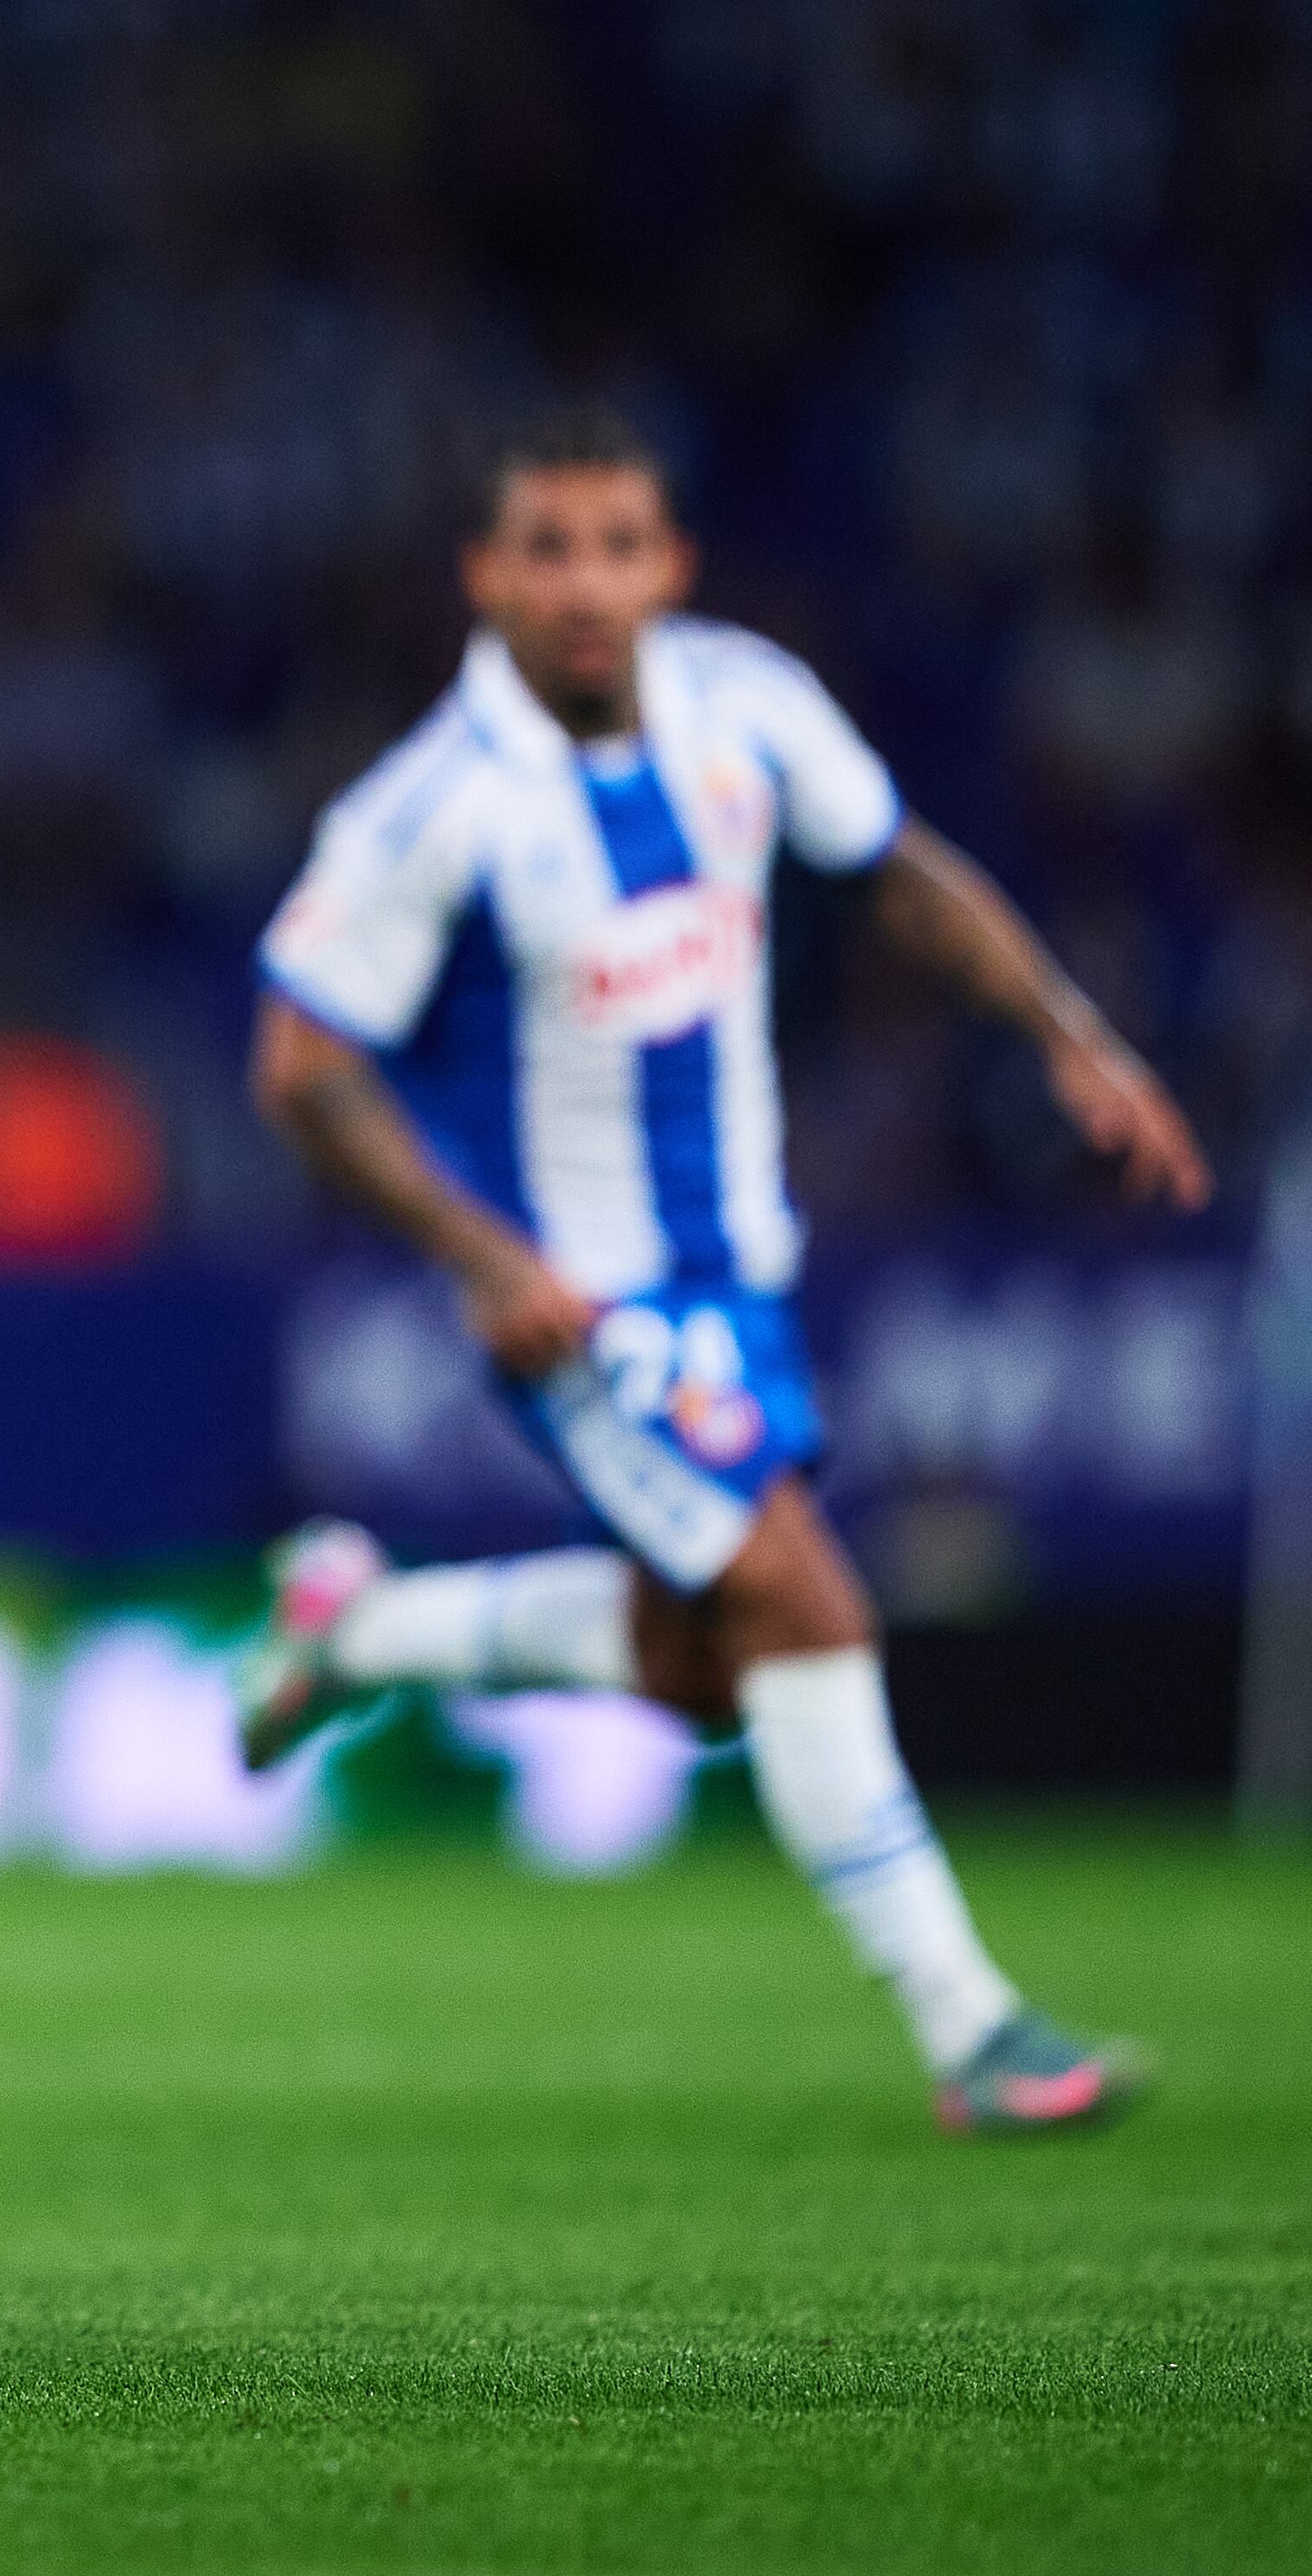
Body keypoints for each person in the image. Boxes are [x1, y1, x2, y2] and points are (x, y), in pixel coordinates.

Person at [240, 406, 1212, 2136]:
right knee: (810, 1601)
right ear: (486, 573)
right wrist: (486, 1258)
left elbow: (897, 871)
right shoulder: (431, 809)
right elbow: (301, 1066)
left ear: (672, 563)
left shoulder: (747, 705)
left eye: (620, 544)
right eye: (548, 546)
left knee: (706, 1663)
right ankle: (970, 2027)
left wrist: (1071, 1037)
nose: (588, 584)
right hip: (587, 1308)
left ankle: (359, 1623)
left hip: (739, 1278)